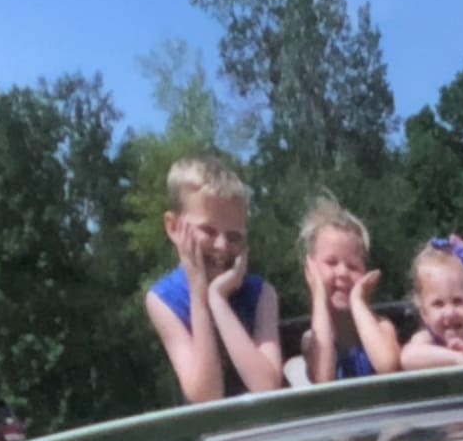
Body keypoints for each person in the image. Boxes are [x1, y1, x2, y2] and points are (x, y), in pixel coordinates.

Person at [143, 149, 281, 404]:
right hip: (210, 439)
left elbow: (268, 387)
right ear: (174, 227)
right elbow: (206, 397)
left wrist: (218, 299)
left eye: (234, 236)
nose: (221, 246)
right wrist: (199, 295)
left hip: (264, 435)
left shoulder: (262, 294)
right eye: (207, 230)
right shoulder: (163, 299)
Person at [289, 194, 399, 383]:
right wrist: (318, 294)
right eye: (331, 262)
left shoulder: (382, 327)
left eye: (353, 266)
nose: (342, 273)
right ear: (311, 269)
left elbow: (388, 366)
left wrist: (358, 301)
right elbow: (323, 379)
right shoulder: (311, 340)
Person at [391, 235, 463, 371]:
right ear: (424, 312)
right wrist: (459, 359)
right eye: (438, 304)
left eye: (458, 301)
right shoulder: (425, 341)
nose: (450, 313)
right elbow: (408, 357)